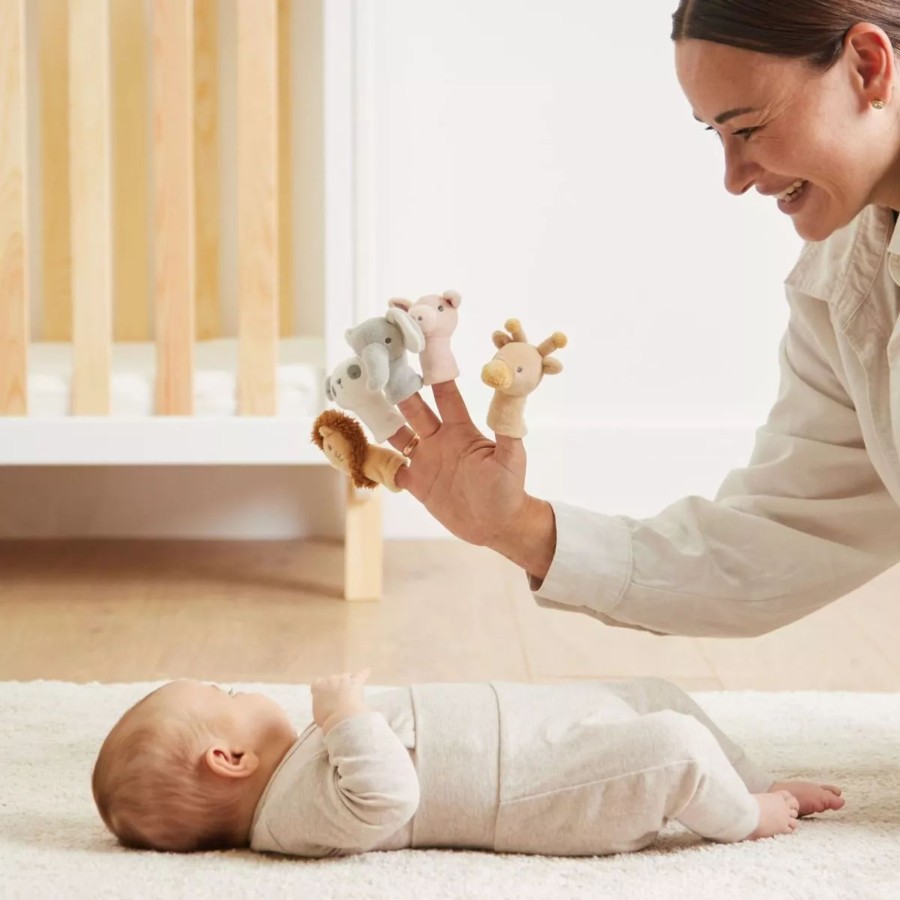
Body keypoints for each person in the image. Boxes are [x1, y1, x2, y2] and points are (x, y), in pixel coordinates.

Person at [384, 0, 900, 639]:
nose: (734, 179)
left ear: (869, 67)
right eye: (716, 133)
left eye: (748, 128)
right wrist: (517, 524)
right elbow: (775, 542)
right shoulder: (846, 279)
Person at [91, 671, 843, 856]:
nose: (242, 688)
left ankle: (750, 781)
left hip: (531, 738)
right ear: (229, 758)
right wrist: (347, 717)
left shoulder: (292, 772)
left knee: (649, 692)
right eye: (226, 693)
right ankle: (744, 818)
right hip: (534, 792)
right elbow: (387, 798)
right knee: (672, 745)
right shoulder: (288, 818)